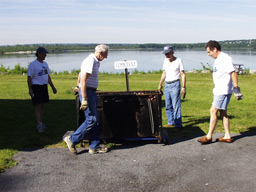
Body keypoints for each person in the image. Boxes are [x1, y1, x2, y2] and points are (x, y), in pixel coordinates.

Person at [63, 44, 109, 154]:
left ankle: (94, 146)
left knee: (95, 120)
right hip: (87, 92)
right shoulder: (91, 61)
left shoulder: (95, 61)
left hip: (90, 91)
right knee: (91, 119)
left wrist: (77, 85)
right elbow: (83, 79)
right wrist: (84, 98)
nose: (106, 57)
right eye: (106, 55)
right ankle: (71, 139)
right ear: (101, 53)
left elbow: (80, 74)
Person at [198, 40, 243, 144]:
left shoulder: (225, 58)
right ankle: (227, 135)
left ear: (215, 49)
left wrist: (236, 89)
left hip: (222, 90)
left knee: (213, 111)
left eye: (209, 52)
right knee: (223, 112)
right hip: (219, 89)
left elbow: (233, 73)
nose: (208, 54)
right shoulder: (218, 59)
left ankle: (209, 136)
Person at [27, 47, 57, 132]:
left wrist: (52, 87)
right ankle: (39, 124)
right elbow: (29, 77)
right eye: (44, 54)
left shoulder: (45, 64)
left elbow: (47, 76)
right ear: (39, 54)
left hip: (44, 86)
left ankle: (41, 122)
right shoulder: (33, 64)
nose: (45, 55)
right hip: (36, 87)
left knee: (42, 105)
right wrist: (30, 89)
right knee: (38, 106)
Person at [158, 45, 186, 129]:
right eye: (165, 54)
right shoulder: (165, 61)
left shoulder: (178, 60)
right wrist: (160, 85)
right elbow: (164, 73)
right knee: (168, 105)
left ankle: (178, 124)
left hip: (175, 84)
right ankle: (170, 122)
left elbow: (183, 74)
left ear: (172, 52)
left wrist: (183, 87)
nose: (166, 55)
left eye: (168, 53)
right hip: (167, 85)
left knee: (176, 105)